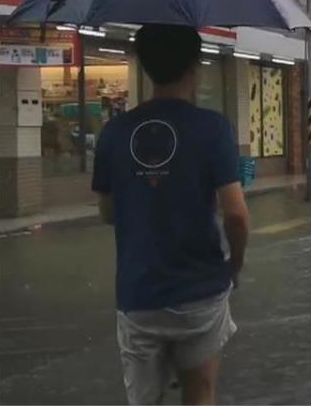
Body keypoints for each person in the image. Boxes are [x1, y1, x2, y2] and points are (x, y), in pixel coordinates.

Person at [92, 24, 250, 405]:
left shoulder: (114, 132)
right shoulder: (213, 129)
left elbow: (108, 212)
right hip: (201, 291)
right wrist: (235, 266)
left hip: (138, 293)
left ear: (144, 67)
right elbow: (237, 216)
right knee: (200, 395)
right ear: (195, 66)